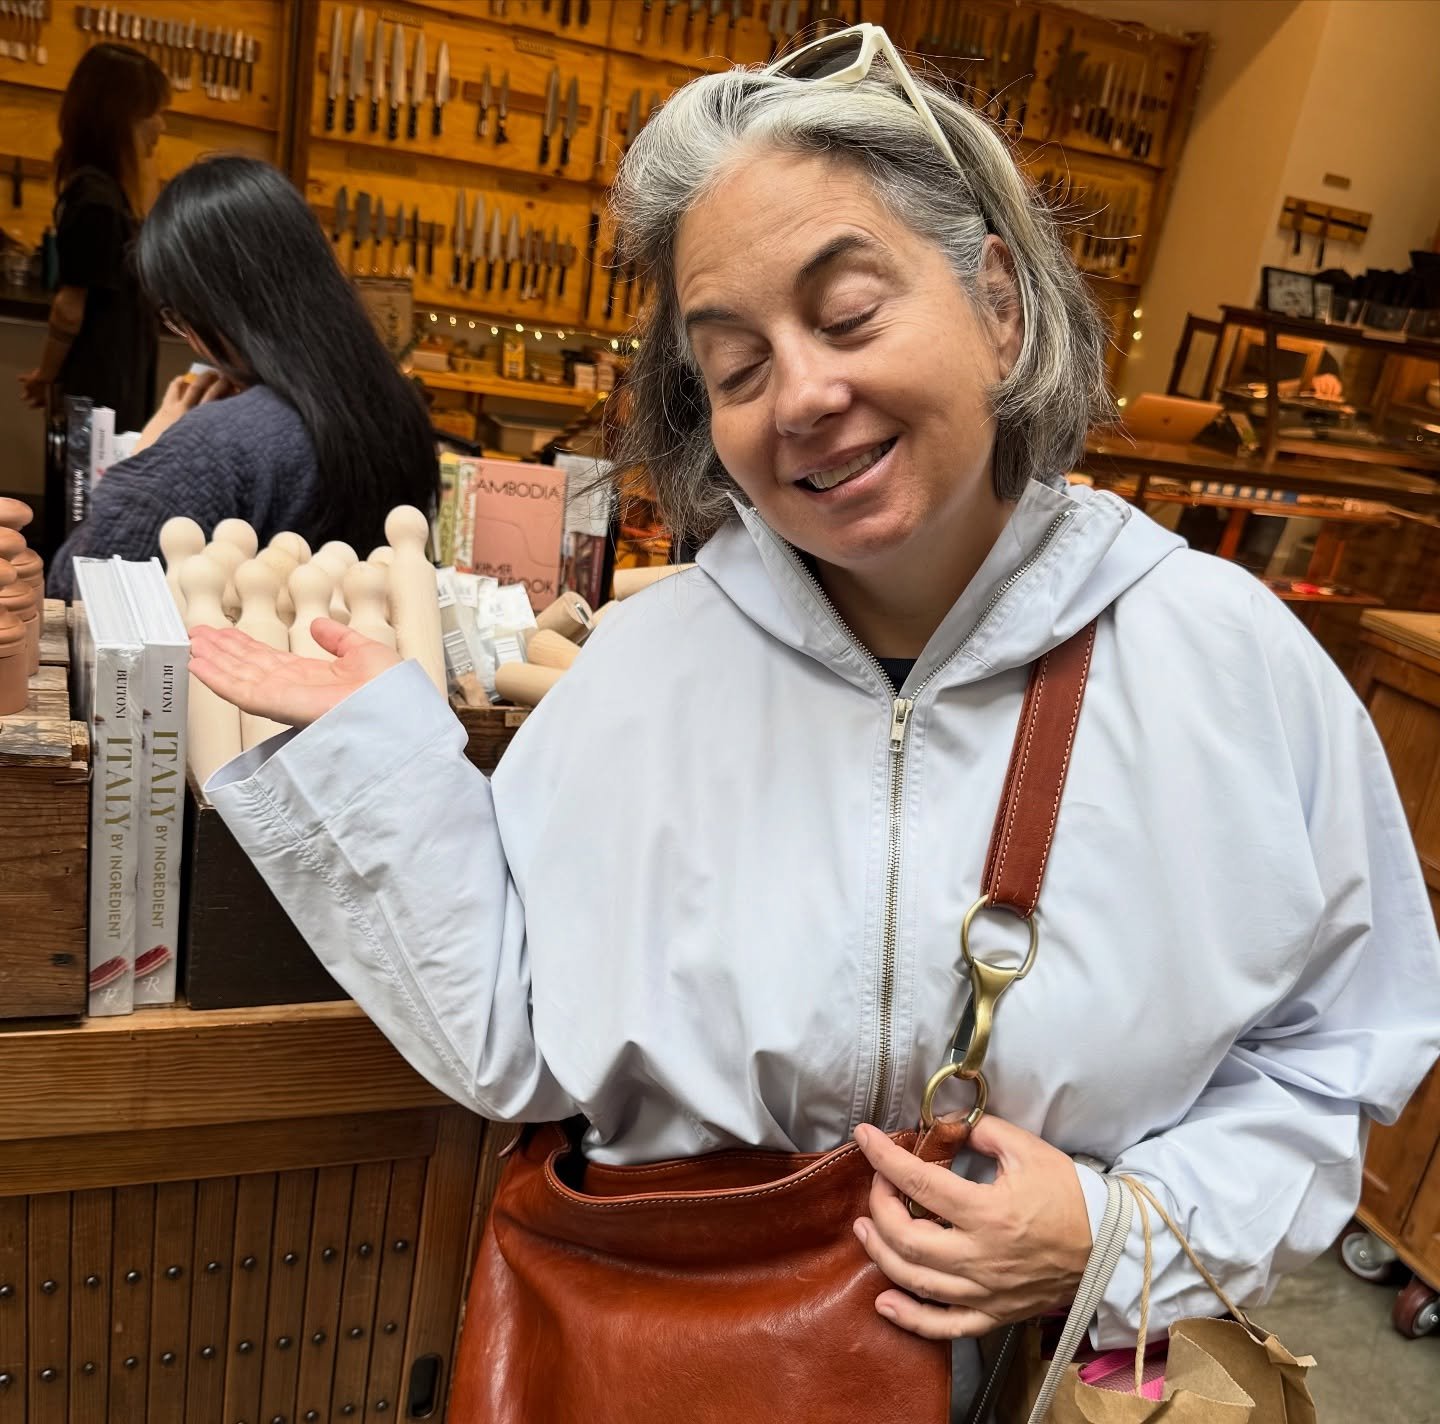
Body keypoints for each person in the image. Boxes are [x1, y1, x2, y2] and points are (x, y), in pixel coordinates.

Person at [188, 25, 1440, 1419]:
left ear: (1001, 304)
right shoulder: (651, 668)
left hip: (1053, 1382)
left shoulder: (1224, 661)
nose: (802, 397)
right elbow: (517, 1037)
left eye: (847, 316)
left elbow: (1338, 1049)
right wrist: (385, 760)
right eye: (733, 368)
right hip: (684, 1358)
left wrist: (1118, 1230)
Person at [49, 156, 437, 599]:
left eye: (179, 319)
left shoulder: (215, 441)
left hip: (227, 665)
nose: (192, 342)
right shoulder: (395, 410)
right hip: (360, 660)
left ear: (215, 308)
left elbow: (78, 589)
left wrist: (150, 449)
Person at [19, 43, 168, 432]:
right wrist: (46, 377)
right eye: (154, 114)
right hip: (99, 396)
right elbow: (69, 307)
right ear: (122, 119)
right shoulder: (96, 201)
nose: (161, 127)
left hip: (115, 388)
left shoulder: (109, 196)